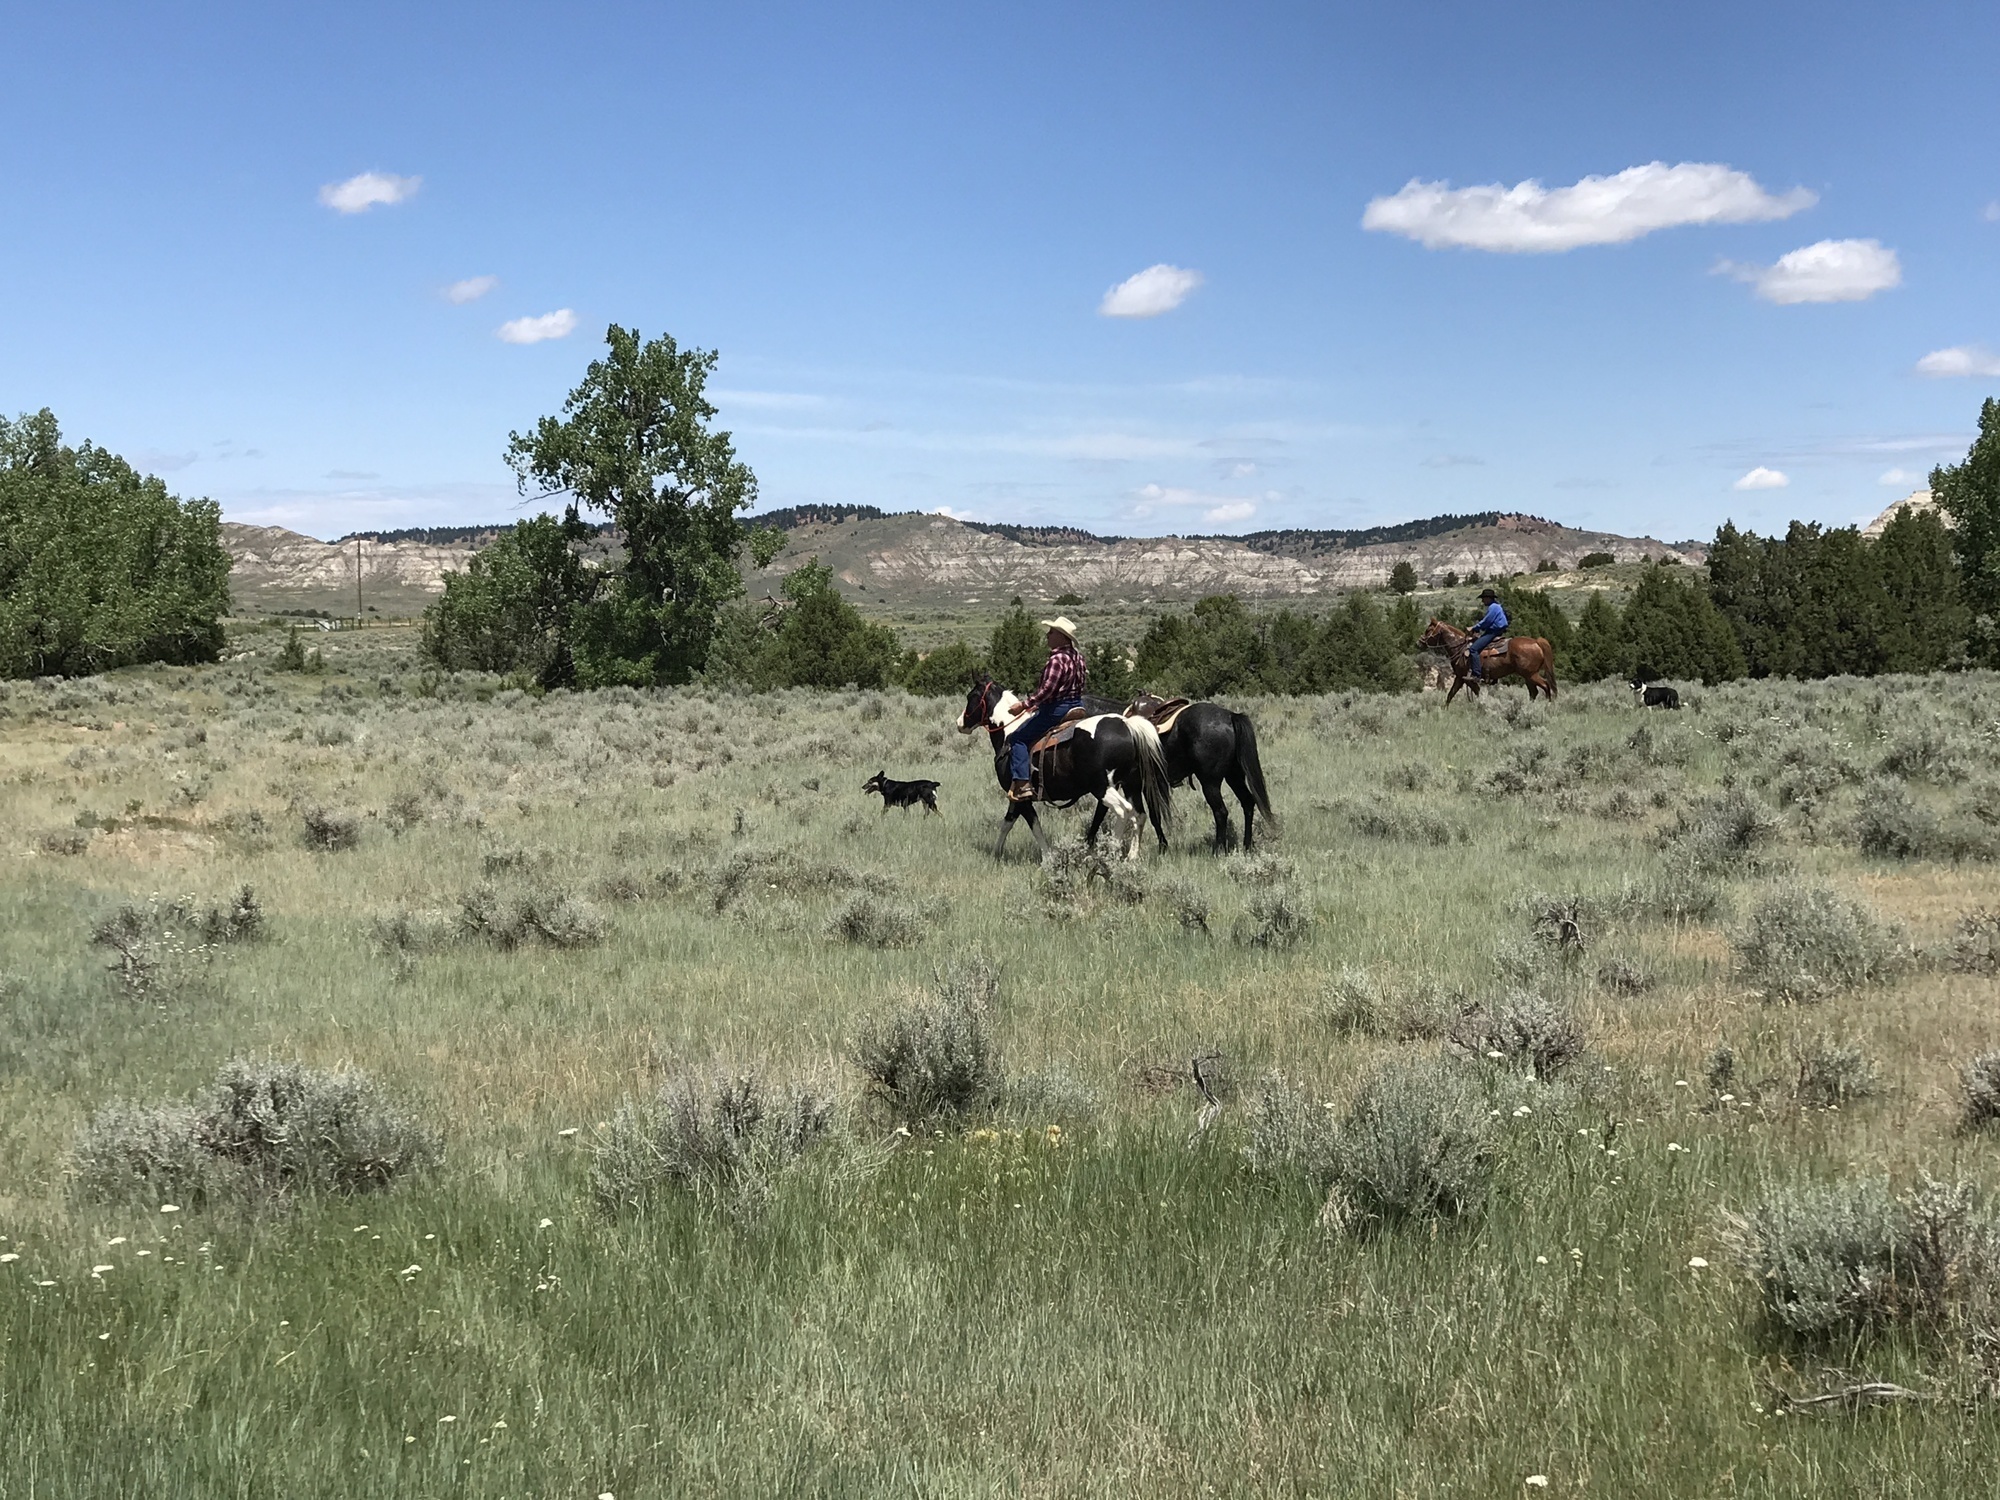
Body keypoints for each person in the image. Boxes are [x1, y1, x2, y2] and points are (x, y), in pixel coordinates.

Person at [1003, 617, 1087, 800]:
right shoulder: (1078, 657)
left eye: (1052, 632)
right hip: (1077, 705)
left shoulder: (1057, 659)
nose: (1047, 635)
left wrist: (1024, 705)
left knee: (1018, 738)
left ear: (1063, 637)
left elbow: (1047, 690)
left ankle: (1023, 783)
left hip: (1057, 708)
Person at [1465, 588, 1508, 678]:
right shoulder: (1496, 606)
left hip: (1493, 632)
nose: (1482, 601)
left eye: (1483, 598)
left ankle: (1476, 674)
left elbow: (1487, 621)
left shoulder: (1493, 607)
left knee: (1473, 649)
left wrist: (1473, 627)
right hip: (1496, 631)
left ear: (1488, 598)